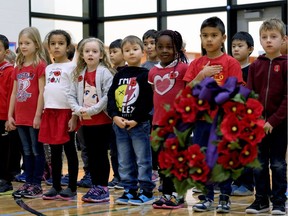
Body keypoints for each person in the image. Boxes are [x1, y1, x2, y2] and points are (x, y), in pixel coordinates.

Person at [183, 16, 243, 213]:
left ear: (223, 37)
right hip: (201, 121)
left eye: (214, 35)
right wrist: (202, 75)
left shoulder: (230, 62)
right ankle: (206, 197)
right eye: (205, 36)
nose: (209, 40)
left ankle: (224, 197)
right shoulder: (196, 64)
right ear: (200, 38)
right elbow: (188, 90)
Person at [245, 18, 287, 215]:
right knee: (259, 164)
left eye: (273, 36)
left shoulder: (286, 65)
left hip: (279, 125)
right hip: (258, 125)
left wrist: (273, 121)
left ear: (283, 39)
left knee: (278, 164)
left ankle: (279, 201)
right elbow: (250, 95)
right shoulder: (255, 66)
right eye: (264, 37)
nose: (268, 40)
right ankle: (261, 200)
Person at [107, 35, 155, 205]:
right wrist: (114, 116)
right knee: (124, 159)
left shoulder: (146, 75)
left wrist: (137, 119)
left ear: (142, 52)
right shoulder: (119, 75)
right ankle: (129, 189)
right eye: (127, 50)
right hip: (120, 125)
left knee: (142, 159)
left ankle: (146, 190)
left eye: (135, 49)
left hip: (139, 125)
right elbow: (111, 97)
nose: (131, 53)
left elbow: (147, 100)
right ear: (123, 54)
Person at [68, 37, 115, 203]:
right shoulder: (79, 74)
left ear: (101, 55)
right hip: (85, 121)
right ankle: (95, 185)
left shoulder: (105, 73)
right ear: (81, 55)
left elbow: (107, 96)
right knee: (91, 155)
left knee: (101, 154)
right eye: (87, 51)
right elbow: (71, 95)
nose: (90, 54)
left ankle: (102, 187)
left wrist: (92, 110)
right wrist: (77, 109)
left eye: (94, 51)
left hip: (102, 122)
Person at [149, 30, 189, 209]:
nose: (164, 50)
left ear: (177, 49)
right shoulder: (153, 72)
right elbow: (155, 96)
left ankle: (178, 194)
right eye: (160, 47)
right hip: (158, 123)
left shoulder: (183, 69)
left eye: (169, 47)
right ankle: (166, 193)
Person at [39, 29, 79, 201]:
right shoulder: (48, 68)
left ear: (67, 46)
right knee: (54, 151)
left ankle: (72, 187)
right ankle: (55, 185)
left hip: (67, 113)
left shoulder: (73, 67)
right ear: (49, 47)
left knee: (70, 151)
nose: (56, 47)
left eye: (60, 43)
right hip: (50, 112)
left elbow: (75, 92)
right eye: (53, 44)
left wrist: (74, 116)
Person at [7, 27, 47, 198]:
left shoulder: (40, 66)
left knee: (36, 150)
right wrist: (10, 115)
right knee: (26, 150)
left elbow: (42, 91)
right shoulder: (19, 67)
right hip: (20, 117)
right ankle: (28, 182)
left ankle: (36, 183)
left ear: (36, 44)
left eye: (27, 43)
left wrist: (38, 115)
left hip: (34, 117)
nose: (23, 46)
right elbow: (14, 93)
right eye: (21, 43)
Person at [230, 31, 255, 196]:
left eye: (240, 46)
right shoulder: (229, 69)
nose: (236, 49)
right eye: (233, 46)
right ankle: (236, 181)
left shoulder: (254, 69)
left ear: (250, 49)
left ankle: (247, 185)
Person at [141, 29, 160, 184]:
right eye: (145, 44)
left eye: (152, 43)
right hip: (146, 111)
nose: (149, 47)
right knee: (148, 142)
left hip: (161, 111)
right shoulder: (142, 67)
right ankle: (152, 170)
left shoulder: (164, 66)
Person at [107, 39, 126, 190]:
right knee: (114, 150)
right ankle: (117, 176)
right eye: (110, 52)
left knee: (126, 149)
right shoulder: (108, 72)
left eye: (115, 52)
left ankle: (127, 177)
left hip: (127, 116)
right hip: (112, 118)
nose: (112, 55)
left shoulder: (128, 71)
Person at [0, 34, 15, 195]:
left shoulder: (10, 71)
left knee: (4, 150)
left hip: (3, 117)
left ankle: (6, 180)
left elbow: (12, 94)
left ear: (5, 52)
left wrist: (9, 117)